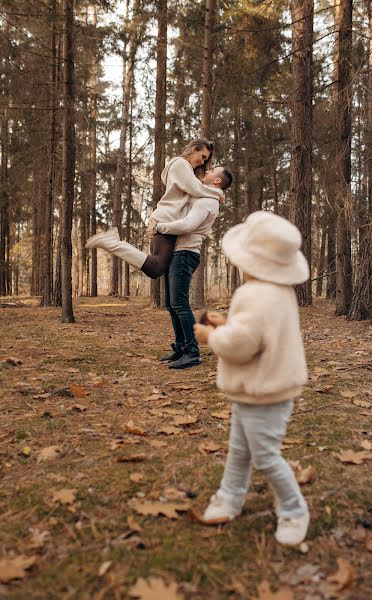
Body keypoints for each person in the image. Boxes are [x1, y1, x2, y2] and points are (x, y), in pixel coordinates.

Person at [193, 211, 310, 546]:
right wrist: (227, 323)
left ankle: (293, 508)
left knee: (265, 456)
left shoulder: (255, 295)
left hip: (264, 391)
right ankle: (230, 496)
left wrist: (210, 336)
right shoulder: (277, 291)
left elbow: (243, 345)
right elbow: (255, 330)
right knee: (240, 449)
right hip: (264, 387)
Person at [85, 138, 223, 278]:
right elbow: (196, 189)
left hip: (166, 218)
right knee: (156, 268)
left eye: (205, 160)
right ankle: (112, 243)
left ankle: (112, 241)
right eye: (203, 157)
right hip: (167, 218)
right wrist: (217, 193)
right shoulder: (181, 164)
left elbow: (195, 187)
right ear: (194, 149)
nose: (203, 162)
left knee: (156, 267)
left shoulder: (182, 168)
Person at [158, 166, 233, 370]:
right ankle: (181, 347)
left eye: (212, 171)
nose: (207, 170)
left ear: (217, 181)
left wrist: (160, 227)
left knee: (180, 304)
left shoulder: (207, 200)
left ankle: (192, 353)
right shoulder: (205, 194)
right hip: (177, 251)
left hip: (185, 253)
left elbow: (188, 225)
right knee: (172, 304)